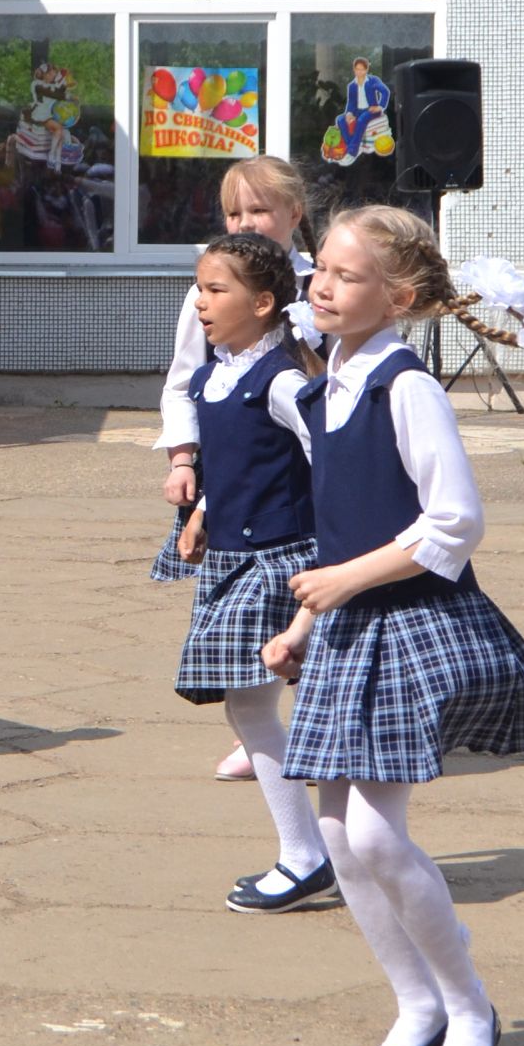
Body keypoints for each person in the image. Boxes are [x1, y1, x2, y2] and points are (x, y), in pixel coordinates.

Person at [264, 207, 524, 1046]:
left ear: (397, 297)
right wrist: (304, 623)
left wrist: (342, 584)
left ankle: (470, 1006)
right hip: (345, 624)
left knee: (372, 831)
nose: (323, 285)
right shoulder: (327, 384)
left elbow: (455, 522)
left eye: (347, 275)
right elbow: (337, 525)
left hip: (406, 624)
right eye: (318, 267)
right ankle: (417, 1007)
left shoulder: (407, 386)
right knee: (334, 830)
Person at [156, 232, 333, 912]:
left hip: (281, 560)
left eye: (215, 289)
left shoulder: (282, 380)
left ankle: (310, 854)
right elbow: (232, 463)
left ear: (264, 303)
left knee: (255, 701)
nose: (200, 302)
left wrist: (334, 550)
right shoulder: (213, 376)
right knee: (254, 702)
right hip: (233, 556)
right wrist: (203, 508)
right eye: (199, 288)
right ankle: (317, 850)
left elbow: (330, 457)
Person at [158, 155, 318, 782]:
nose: (245, 221)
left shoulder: (321, 285)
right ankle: (262, 725)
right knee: (245, 613)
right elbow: (183, 384)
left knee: (303, 604)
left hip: (300, 477)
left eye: (259, 210)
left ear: (294, 215)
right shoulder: (211, 290)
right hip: (234, 476)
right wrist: (183, 459)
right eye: (233, 211)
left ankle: (293, 727)